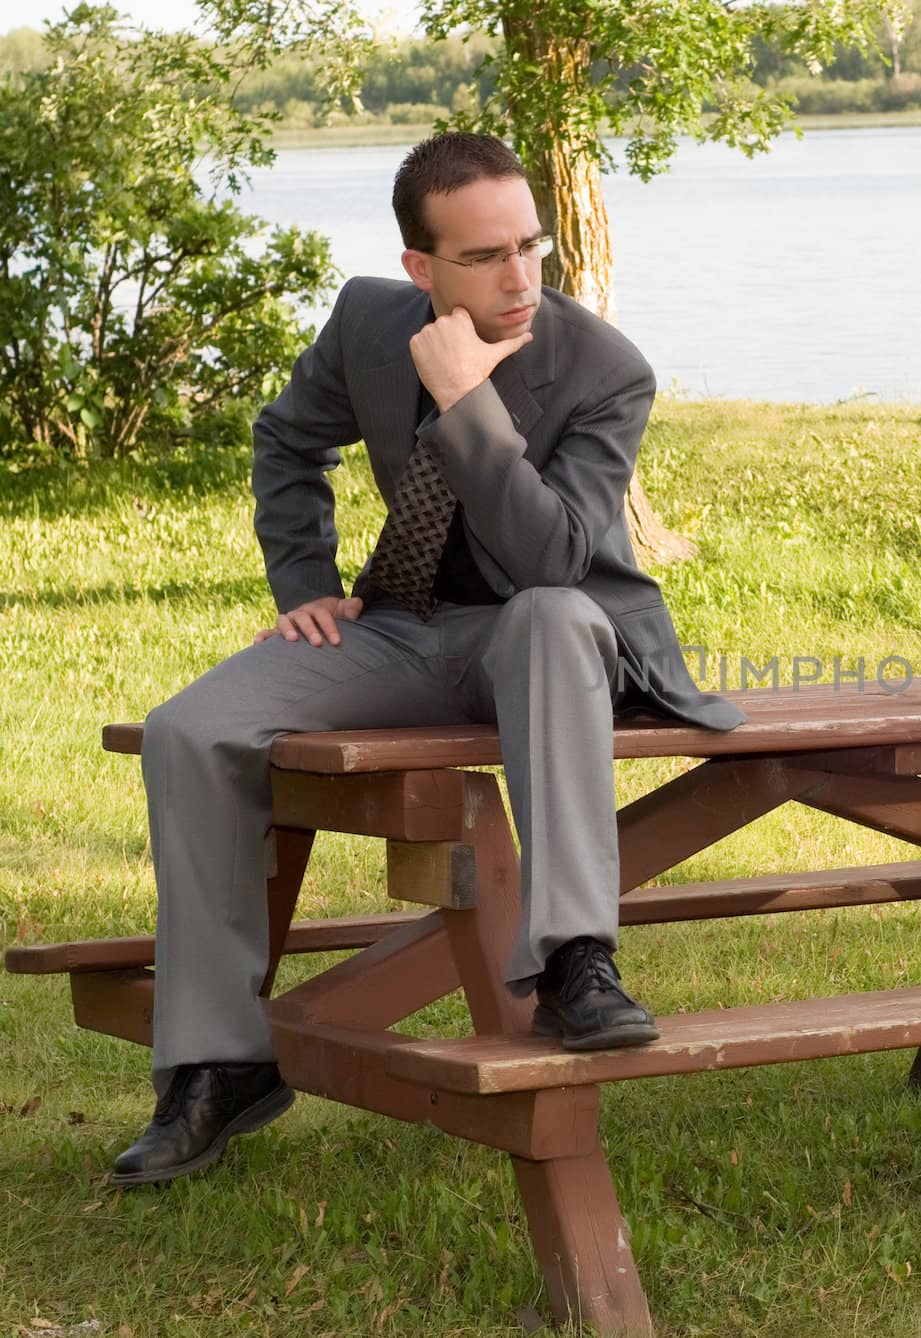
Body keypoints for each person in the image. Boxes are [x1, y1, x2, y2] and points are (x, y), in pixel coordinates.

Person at [110, 132, 744, 1187]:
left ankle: (577, 964)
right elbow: (286, 438)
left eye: (531, 247)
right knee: (191, 729)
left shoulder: (600, 368)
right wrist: (304, 582)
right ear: (422, 269)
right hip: (403, 625)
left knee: (545, 615)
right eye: (486, 255)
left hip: (558, 638)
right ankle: (219, 1062)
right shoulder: (368, 320)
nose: (518, 276)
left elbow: (553, 559)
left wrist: (466, 401)